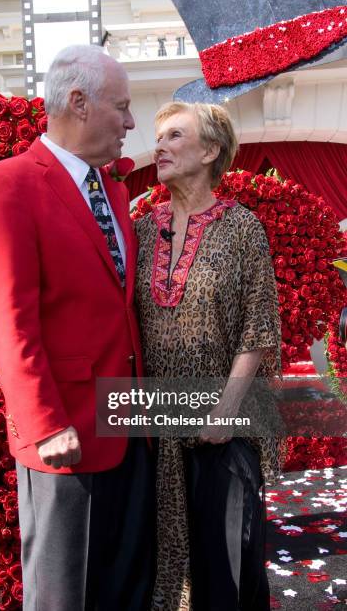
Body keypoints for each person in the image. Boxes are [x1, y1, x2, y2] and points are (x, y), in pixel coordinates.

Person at [0, 45, 155, 611]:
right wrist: (46, 423)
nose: (130, 123)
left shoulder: (115, 190)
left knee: (127, 586)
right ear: (78, 102)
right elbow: (7, 317)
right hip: (65, 433)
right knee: (63, 595)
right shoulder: (11, 183)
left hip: (129, 423)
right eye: (121, 108)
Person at [134, 101, 283, 610]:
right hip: (155, 422)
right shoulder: (141, 228)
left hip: (225, 425)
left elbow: (260, 327)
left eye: (175, 136)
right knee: (166, 563)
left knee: (226, 566)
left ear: (211, 150)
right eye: (159, 137)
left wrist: (226, 411)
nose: (160, 147)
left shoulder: (242, 227)